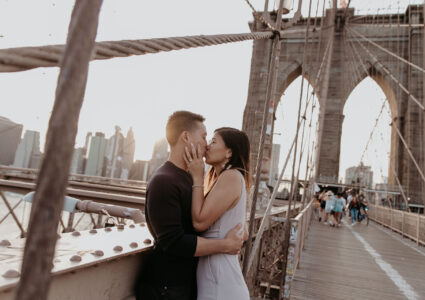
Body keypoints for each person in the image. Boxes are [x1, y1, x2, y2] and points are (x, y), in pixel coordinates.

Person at [139, 111, 245, 300]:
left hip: (186, 283)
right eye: (204, 136)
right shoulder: (164, 181)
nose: (206, 144)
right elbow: (174, 242)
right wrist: (225, 244)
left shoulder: (191, 179)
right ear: (186, 137)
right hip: (166, 286)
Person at [184, 127, 250, 299]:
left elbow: (199, 222)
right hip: (217, 278)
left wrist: (197, 176)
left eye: (213, 142)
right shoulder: (227, 178)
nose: (207, 146)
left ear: (229, 152)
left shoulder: (231, 176)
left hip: (221, 283)